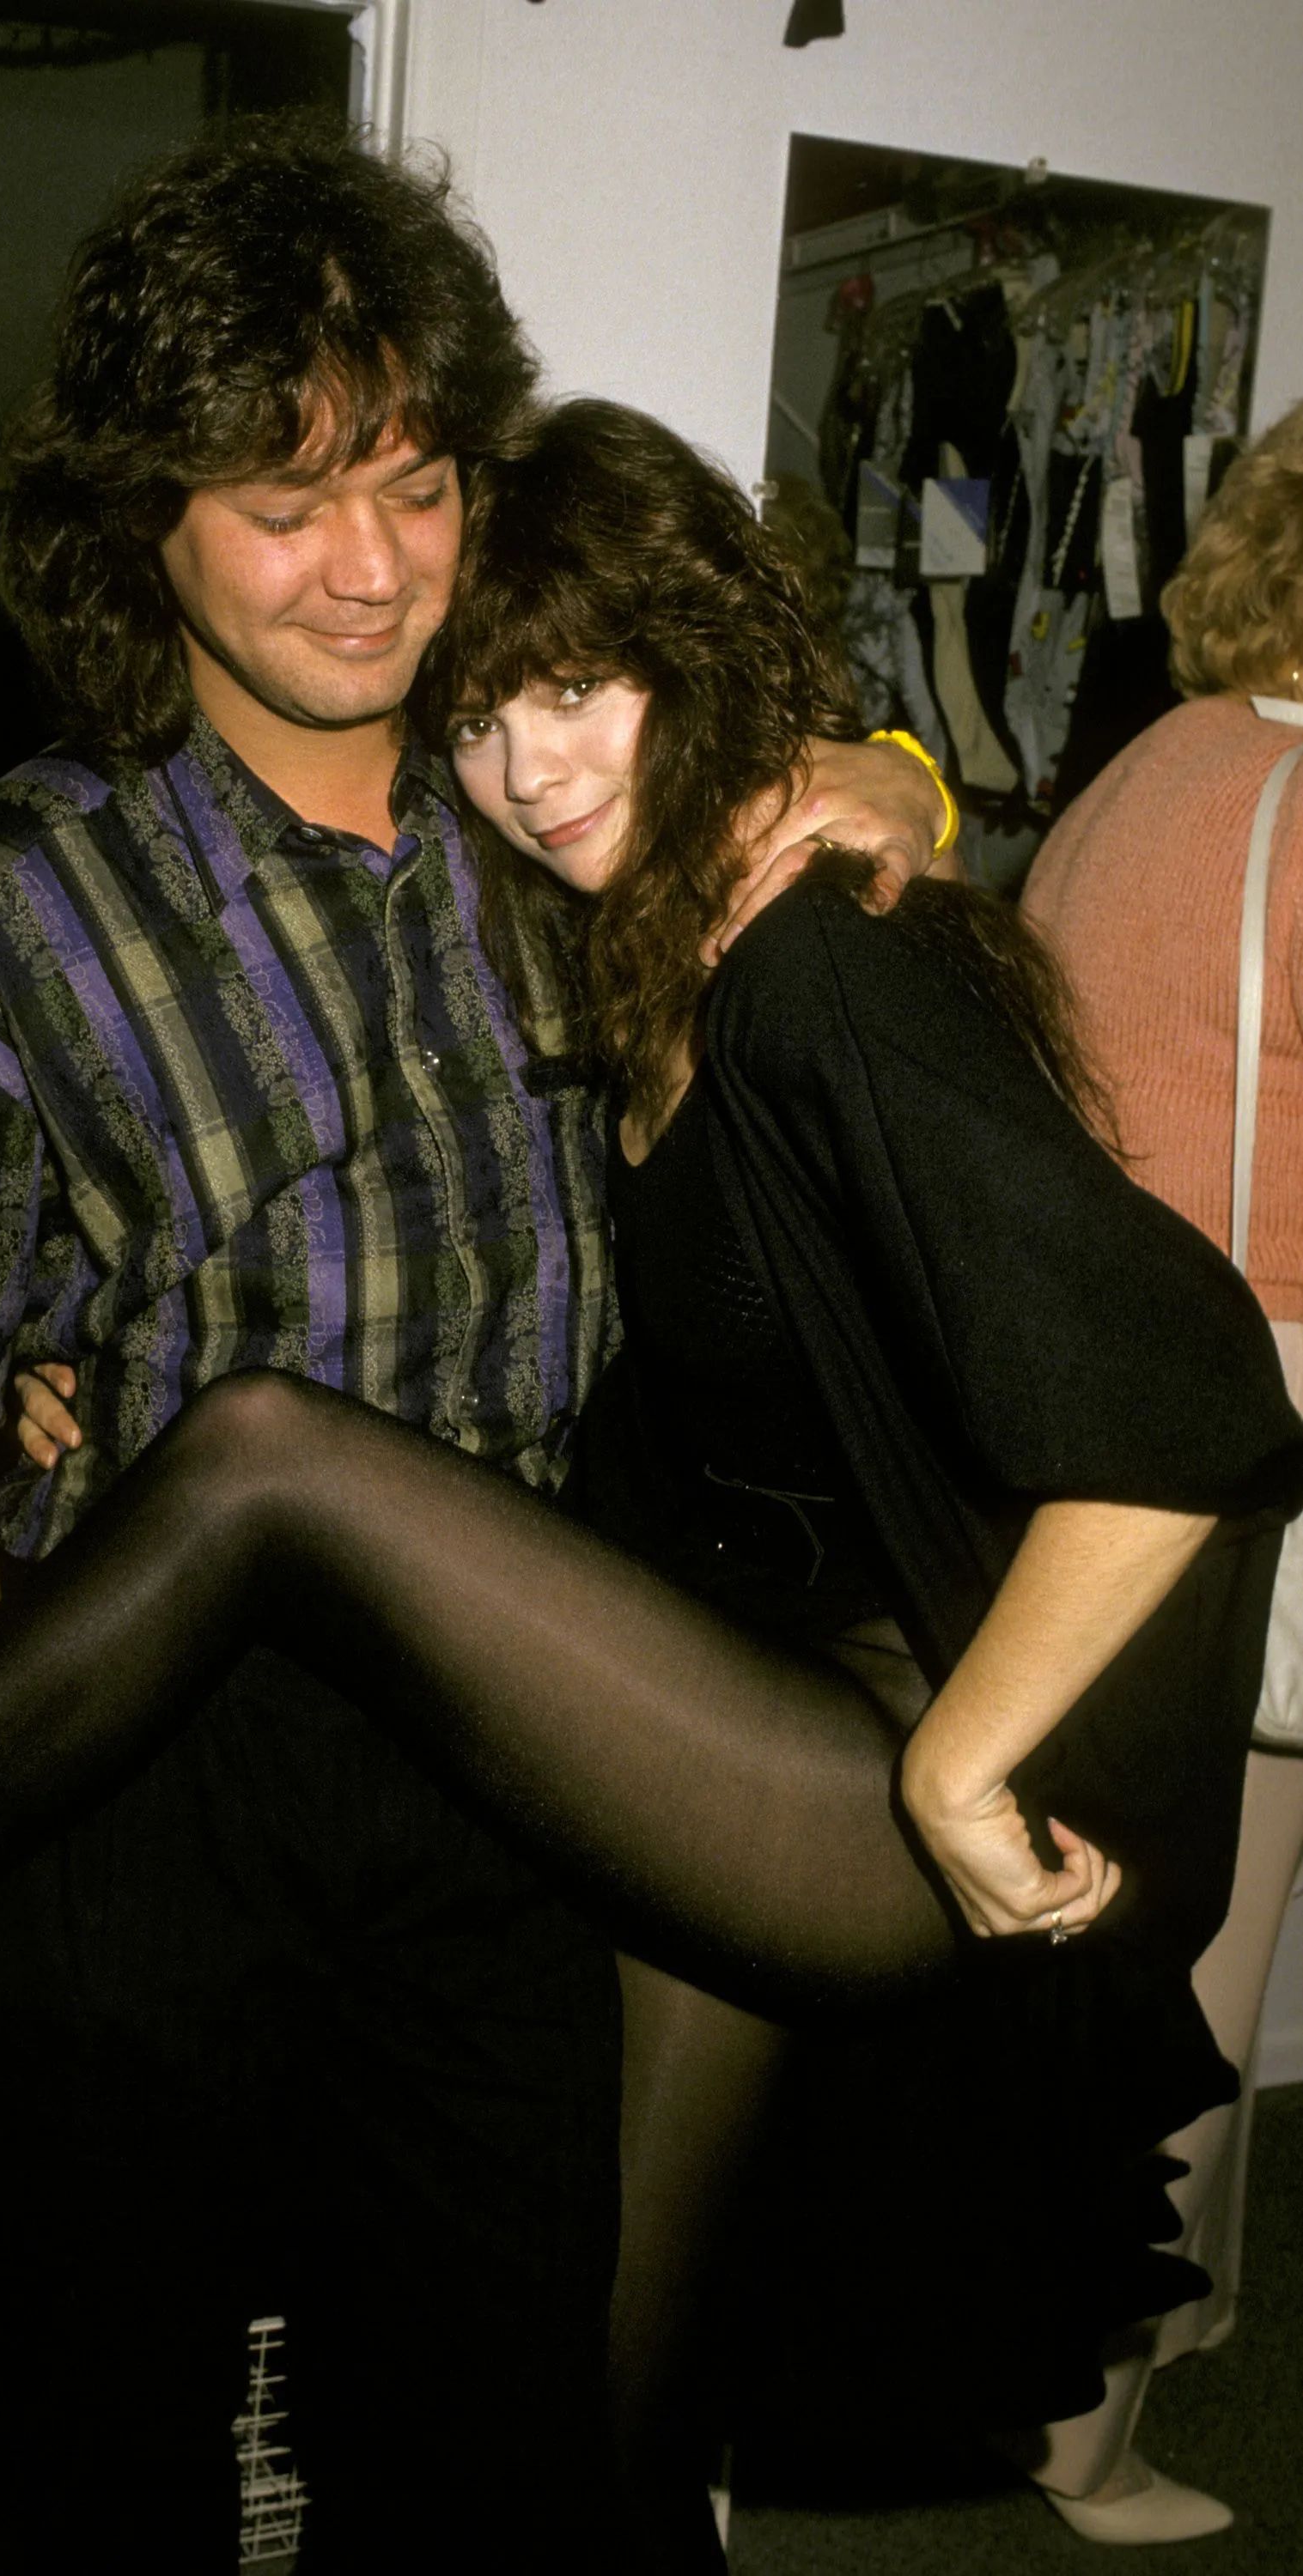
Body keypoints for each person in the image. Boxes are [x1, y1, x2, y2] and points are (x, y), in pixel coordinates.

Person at [0, 398, 1297, 2576]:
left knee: (266, 1460)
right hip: (674, 1710)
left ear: (688, 655)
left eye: (577, 687)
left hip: (879, 1753)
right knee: (582, 2406)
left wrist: (957, 1764)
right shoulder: (599, 926)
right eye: (482, 714)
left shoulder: (806, 958)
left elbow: (1186, 1396)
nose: (528, 763)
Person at [0, 122, 937, 2576]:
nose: (374, 564)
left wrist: (881, 775)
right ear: (146, 527)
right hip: (143, 1752)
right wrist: (21, 1857)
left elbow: (815, 805)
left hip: (511, 1742)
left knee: (486, 2446)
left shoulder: (563, 818)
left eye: (412, 483)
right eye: (283, 503)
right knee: (113, 2466)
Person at [1015, 398, 1303, 2545]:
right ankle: (1081, 2427)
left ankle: (1148, 2324)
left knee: (1166, 1899)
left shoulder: (1149, 766)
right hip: (1252, 1412)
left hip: (1101, 1405)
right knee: (1203, 1936)